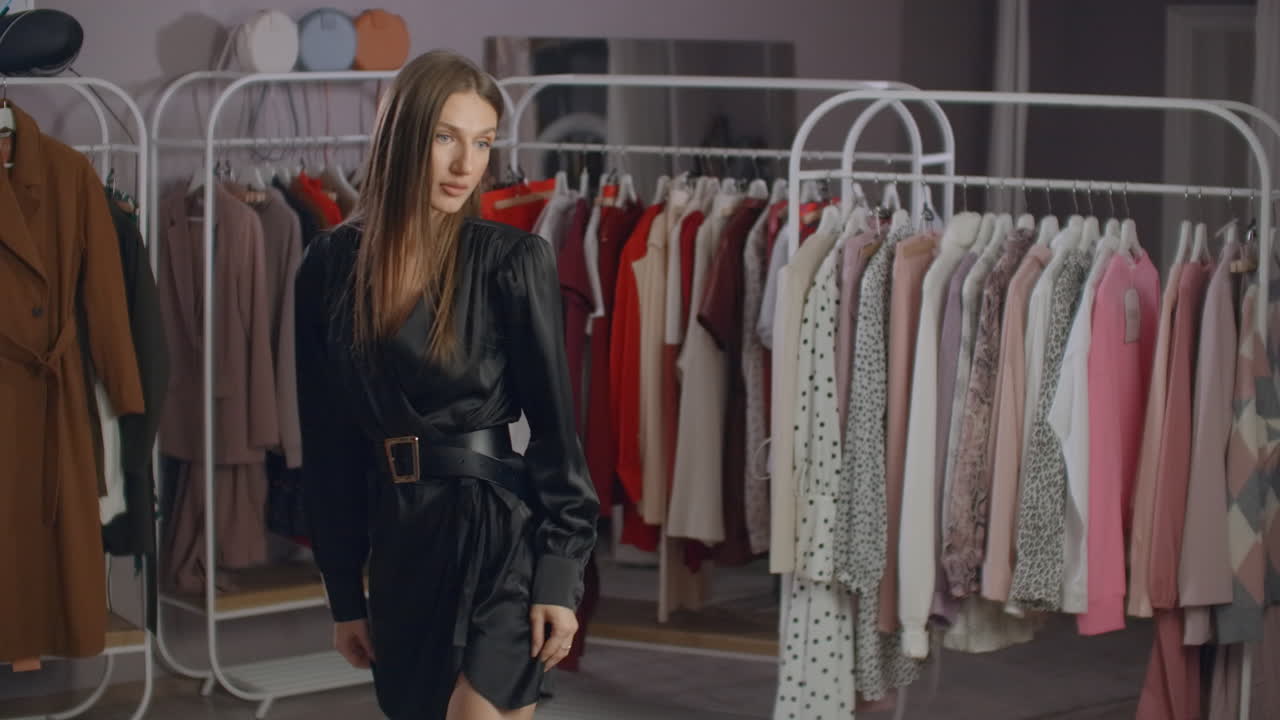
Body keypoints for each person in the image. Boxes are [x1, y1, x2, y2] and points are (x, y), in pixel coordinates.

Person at [295, 50, 599, 720]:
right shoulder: (328, 266)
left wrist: (558, 576)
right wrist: (345, 595)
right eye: (446, 138)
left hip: (499, 538)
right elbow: (329, 450)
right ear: (403, 138)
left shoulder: (513, 260)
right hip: (401, 544)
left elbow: (556, 437)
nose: (468, 165)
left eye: (483, 142)